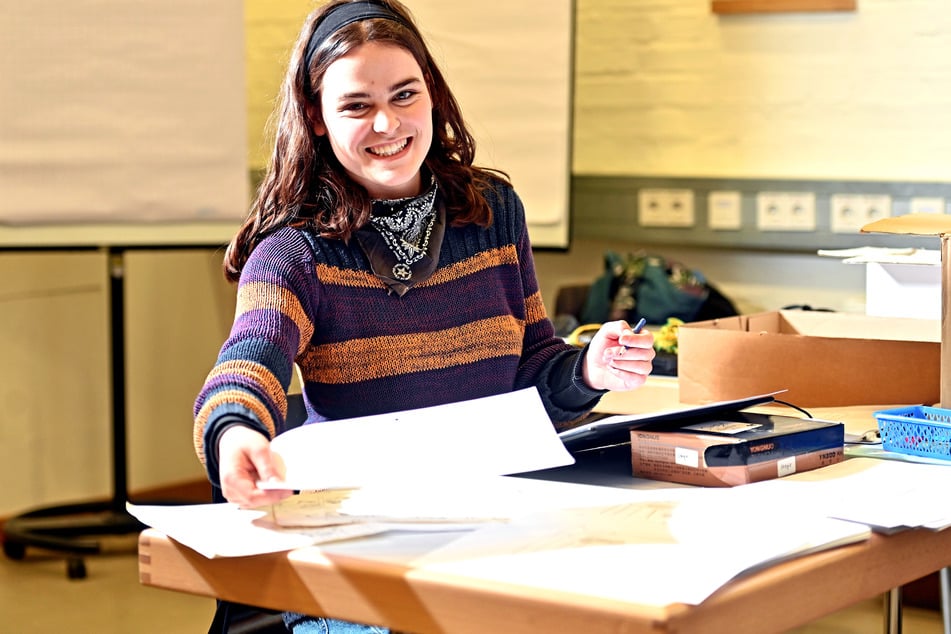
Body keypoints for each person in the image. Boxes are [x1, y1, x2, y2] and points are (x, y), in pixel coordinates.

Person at [194, 1, 655, 632]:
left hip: (504, 523)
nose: (388, 122)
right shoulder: (293, 254)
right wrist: (235, 433)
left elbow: (532, 370)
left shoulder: (493, 211)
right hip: (364, 551)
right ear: (317, 119)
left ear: (432, 96)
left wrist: (590, 370)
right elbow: (248, 363)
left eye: (405, 95)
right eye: (356, 105)